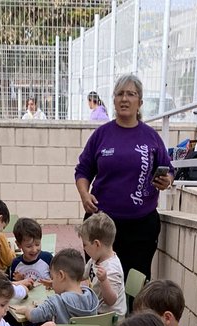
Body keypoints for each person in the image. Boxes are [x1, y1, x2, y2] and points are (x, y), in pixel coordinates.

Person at [74, 74, 174, 283]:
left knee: (136, 285)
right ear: (113, 100)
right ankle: (101, 317)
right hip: (101, 227)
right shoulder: (101, 135)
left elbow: (168, 171)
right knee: (99, 282)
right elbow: (83, 170)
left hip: (141, 226)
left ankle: (135, 317)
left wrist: (167, 180)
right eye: (120, 94)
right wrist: (84, 194)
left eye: (131, 94)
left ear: (140, 102)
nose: (124, 99)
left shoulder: (151, 137)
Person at [27, 249, 100, 325]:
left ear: (61, 275)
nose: (52, 282)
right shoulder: (92, 298)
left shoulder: (57, 301)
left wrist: (28, 309)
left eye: (53, 278)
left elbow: (34, 316)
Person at [80, 213, 126, 317]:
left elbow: (111, 301)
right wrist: (63, 279)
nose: (83, 248)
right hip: (97, 311)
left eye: (85, 245)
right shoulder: (95, 259)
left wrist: (104, 281)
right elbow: (82, 275)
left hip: (111, 321)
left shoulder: (112, 269)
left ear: (96, 244)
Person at [11, 217, 54, 283]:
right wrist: (19, 281)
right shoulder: (16, 264)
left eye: (37, 244)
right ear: (19, 244)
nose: (34, 250)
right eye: (29, 246)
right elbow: (13, 288)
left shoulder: (47, 258)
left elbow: (57, 281)